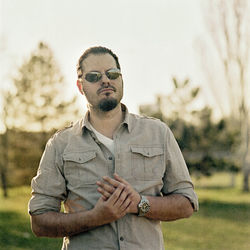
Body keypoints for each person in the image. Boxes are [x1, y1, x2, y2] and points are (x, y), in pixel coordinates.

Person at [28, 46, 198, 250]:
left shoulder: (158, 133)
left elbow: (187, 203)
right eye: (93, 76)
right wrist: (95, 217)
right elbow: (39, 222)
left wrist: (139, 204)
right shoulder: (60, 144)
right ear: (80, 87)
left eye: (112, 73)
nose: (105, 80)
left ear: (121, 79)